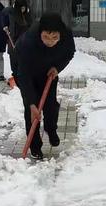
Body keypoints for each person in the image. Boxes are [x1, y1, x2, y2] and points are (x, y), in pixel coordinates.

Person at [16, 13, 75, 160]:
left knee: (51, 106)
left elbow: (69, 53)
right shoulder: (27, 42)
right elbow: (23, 74)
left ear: (60, 35)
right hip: (25, 73)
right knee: (32, 113)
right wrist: (31, 103)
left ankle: (51, 129)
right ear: (39, 34)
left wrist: (57, 67)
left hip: (48, 73)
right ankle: (35, 146)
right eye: (46, 38)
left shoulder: (66, 36)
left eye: (55, 38)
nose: (50, 42)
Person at [3, 0, 33, 80]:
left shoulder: (27, 15)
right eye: (21, 8)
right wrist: (5, 26)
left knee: (23, 58)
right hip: (13, 39)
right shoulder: (10, 13)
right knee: (13, 58)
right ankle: (15, 75)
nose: (23, 10)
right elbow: (4, 19)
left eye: (24, 8)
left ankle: (23, 74)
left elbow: (31, 26)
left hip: (24, 41)